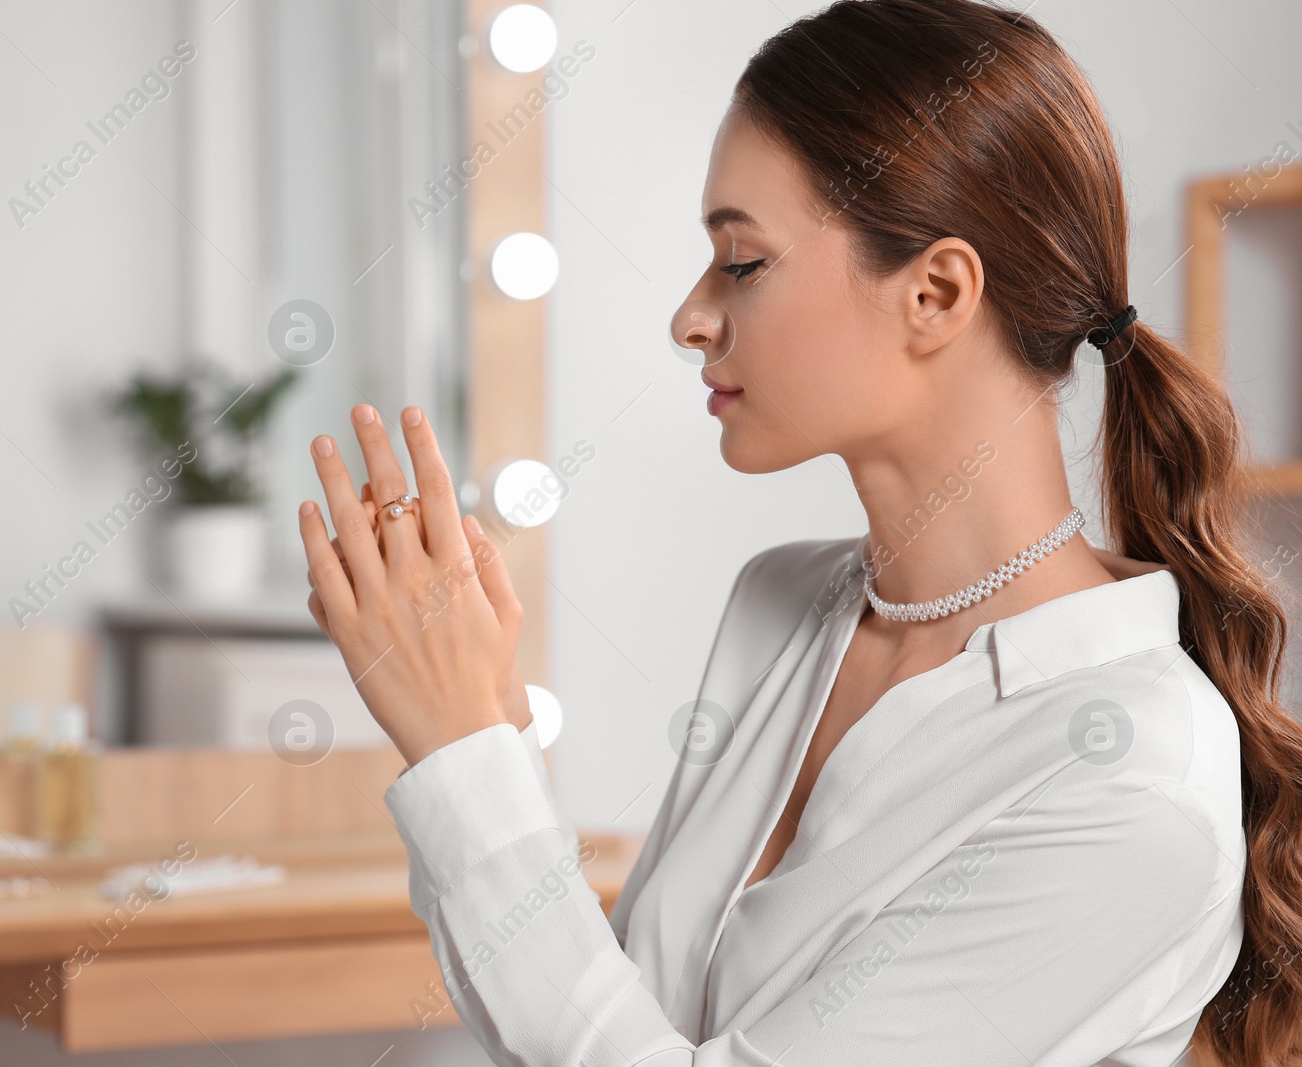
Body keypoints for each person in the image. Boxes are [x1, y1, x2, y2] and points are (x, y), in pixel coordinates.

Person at [297, 1, 1302, 1062]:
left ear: (935, 291)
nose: (690, 315)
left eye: (742, 260)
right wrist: (486, 724)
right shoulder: (781, 607)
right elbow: (614, 1024)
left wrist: (466, 760)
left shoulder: (1128, 781)